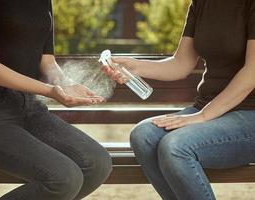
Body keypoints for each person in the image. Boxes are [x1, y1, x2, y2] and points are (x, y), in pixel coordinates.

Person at [103, 0, 255, 199]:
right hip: (208, 110)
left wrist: (203, 115)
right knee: (144, 136)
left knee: (176, 147)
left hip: (249, 114)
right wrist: (135, 66)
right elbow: (181, 63)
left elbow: (252, 72)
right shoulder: (201, 3)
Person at [0, 0, 112, 199]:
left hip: (33, 112)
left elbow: (47, 62)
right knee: (64, 178)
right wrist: (50, 91)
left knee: (98, 163)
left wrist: (67, 84)